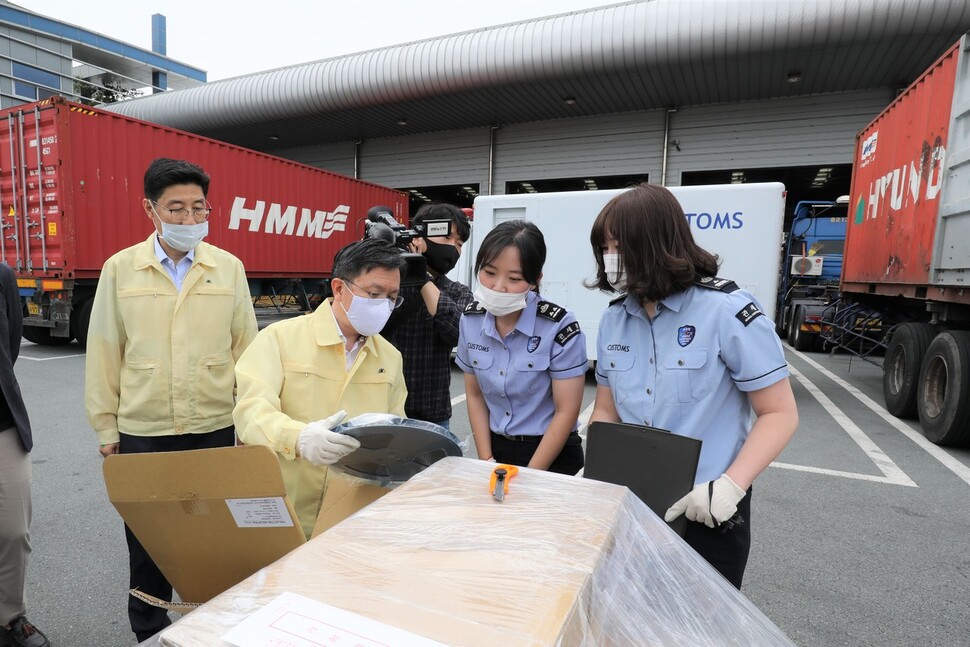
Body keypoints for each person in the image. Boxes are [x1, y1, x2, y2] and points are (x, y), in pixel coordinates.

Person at [587, 184, 798, 589]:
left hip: (710, 508)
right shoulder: (615, 318)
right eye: (605, 247)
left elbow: (779, 413)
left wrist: (731, 485)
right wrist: (596, 463)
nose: (611, 258)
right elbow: (607, 408)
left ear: (657, 243)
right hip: (632, 501)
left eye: (621, 246)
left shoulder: (727, 311)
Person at [84, 158, 258, 641]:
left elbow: (248, 351)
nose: (188, 219)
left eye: (197, 208)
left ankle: (217, 624)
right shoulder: (121, 270)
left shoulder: (228, 268)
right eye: (175, 208)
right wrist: (106, 428)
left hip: (216, 426)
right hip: (144, 431)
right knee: (147, 541)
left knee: (218, 536)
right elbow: (103, 350)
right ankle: (149, 629)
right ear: (150, 210)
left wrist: (249, 420)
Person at [233, 239, 408, 538]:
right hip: (284, 508)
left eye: (392, 297)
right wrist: (298, 438)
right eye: (375, 293)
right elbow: (251, 411)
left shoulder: (389, 357)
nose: (384, 305)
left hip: (351, 515)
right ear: (339, 288)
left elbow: (395, 431)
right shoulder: (279, 338)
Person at [456, 220, 587, 474]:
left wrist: (530, 475)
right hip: (496, 451)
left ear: (535, 280)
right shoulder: (470, 320)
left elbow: (566, 411)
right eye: (489, 273)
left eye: (514, 278)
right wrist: (486, 461)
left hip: (552, 454)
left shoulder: (558, 326)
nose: (498, 287)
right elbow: (474, 395)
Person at [381, 203, 473, 428]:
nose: (454, 249)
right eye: (447, 238)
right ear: (419, 237)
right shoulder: (389, 283)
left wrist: (421, 275)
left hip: (433, 413)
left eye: (459, 244)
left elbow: (458, 334)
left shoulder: (458, 291)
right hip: (384, 407)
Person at [0, 264, 49, 647]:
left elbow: (11, 344)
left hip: (3, 423)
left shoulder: (1, 274)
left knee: (14, 529)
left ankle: (10, 618)